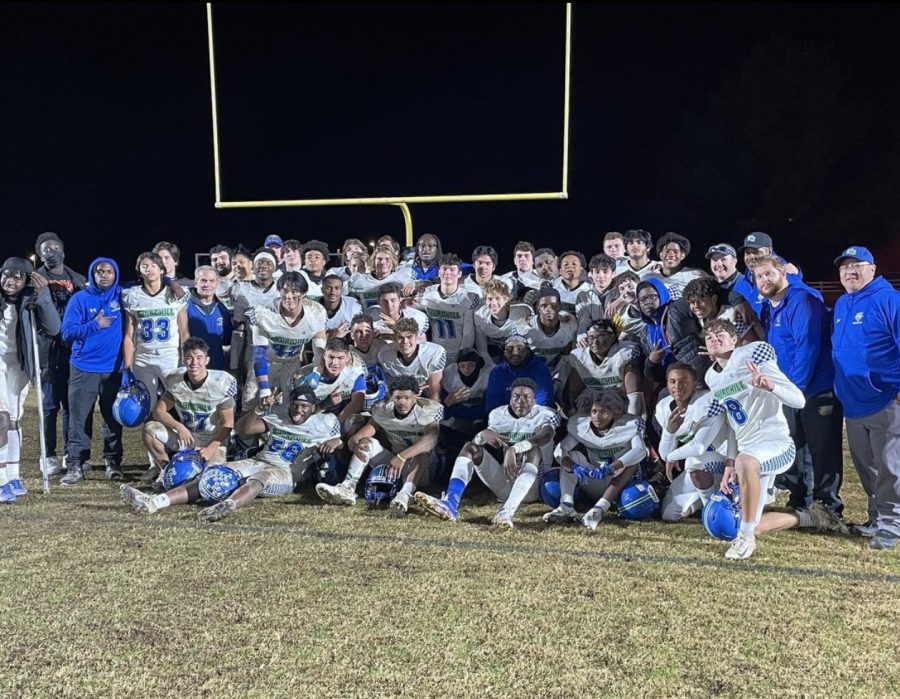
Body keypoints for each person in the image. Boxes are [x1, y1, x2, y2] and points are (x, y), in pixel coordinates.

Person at [703, 319, 845, 560]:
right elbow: (733, 422)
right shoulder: (711, 377)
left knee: (747, 465)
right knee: (750, 521)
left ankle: (746, 541)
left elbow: (798, 400)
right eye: (709, 336)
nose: (714, 338)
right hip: (749, 451)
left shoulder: (753, 356)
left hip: (776, 445)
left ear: (735, 340)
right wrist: (730, 461)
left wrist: (771, 387)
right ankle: (811, 517)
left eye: (721, 334)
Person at [121, 385, 342, 521]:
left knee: (261, 479)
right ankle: (155, 502)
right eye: (296, 404)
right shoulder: (278, 416)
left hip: (285, 473)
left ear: (313, 408)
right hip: (259, 459)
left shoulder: (325, 423)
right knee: (213, 473)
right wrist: (260, 409)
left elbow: (340, 444)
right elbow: (244, 429)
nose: (299, 410)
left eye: (305, 406)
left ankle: (227, 506)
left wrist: (335, 442)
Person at [755, 255, 844, 516]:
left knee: (822, 449)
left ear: (783, 273)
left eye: (769, 274)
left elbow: (808, 347)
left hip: (814, 388)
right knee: (794, 444)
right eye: (759, 277)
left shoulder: (802, 300)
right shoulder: (770, 307)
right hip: (788, 389)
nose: (764, 280)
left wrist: (795, 389)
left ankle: (828, 506)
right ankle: (799, 500)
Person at [417, 378, 560, 527]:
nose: (520, 401)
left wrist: (515, 448)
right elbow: (480, 440)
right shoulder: (499, 414)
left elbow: (546, 435)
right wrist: (483, 434)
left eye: (526, 397)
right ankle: (450, 502)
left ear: (534, 400)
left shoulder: (546, 413)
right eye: (516, 396)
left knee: (533, 450)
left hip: (533, 487)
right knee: (470, 447)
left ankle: (507, 512)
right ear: (510, 398)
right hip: (504, 482)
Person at [831, 246, 900, 550]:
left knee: (890, 467)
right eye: (845, 267)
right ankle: (877, 518)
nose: (850, 271)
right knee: (867, 466)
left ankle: (892, 524)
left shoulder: (889, 299)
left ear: (873, 269)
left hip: (885, 398)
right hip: (853, 402)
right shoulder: (844, 303)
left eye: (858, 265)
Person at [315, 376, 442, 514]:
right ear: (391, 397)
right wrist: (355, 445)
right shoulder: (383, 410)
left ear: (415, 396)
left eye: (407, 398)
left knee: (421, 454)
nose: (402, 402)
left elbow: (431, 440)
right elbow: (358, 436)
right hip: (394, 463)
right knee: (366, 443)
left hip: (422, 469)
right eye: (398, 398)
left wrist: (402, 457)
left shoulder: (428, 410)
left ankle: (405, 495)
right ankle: (347, 487)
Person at [542, 388, 648, 529]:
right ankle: (566, 505)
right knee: (573, 456)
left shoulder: (629, 426)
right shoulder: (581, 426)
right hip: (596, 477)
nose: (597, 416)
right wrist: (574, 466)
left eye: (604, 412)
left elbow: (640, 451)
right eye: (594, 411)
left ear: (615, 413)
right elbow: (560, 450)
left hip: (621, 483)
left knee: (632, 463)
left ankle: (600, 508)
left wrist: (612, 467)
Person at [60, 258, 125, 485]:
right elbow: (66, 333)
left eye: (109, 271)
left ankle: (113, 462)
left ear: (115, 275)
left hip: (113, 370)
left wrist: (170, 280)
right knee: (78, 419)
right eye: (99, 271)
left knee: (112, 418)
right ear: (92, 273)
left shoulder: (123, 297)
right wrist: (94, 325)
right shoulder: (80, 299)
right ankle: (76, 465)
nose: (104, 275)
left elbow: (152, 280)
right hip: (83, 368)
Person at [0, 258, 60, 501]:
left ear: (26, 280)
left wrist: (43, 295)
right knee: (1, 418)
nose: (10, 280)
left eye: (17, 276)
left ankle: (13, 476)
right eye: (6, 274)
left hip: (20, 364)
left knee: (13, 420)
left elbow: (54, 328)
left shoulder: (30, 300)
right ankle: (1, 479)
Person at [141, 337, 237, 480]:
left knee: (208, 478)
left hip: (213, 440)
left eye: (199, 358)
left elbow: (228, 424)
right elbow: (158, 411)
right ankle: (165, 471)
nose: (194, 362)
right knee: (150, 429)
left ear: (207, 360)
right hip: (187, 437)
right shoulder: (175, 380)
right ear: (184, 360)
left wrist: (211, 448)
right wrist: (179, 427)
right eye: (189, 358)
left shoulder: (220, 383)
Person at [31, 231, 87, 476]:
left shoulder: (77, 279)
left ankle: (69, 454)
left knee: (70, 406)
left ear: (63, 250)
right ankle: (48, 454)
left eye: (55, 247)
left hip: (72, 352)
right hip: (47, 351)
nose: (51, 252)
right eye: (46, 249)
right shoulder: (35, 279)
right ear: (41, 254)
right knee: (49, 406)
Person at [655, 363, 728, 521]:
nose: (678, 386)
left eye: (684, 381)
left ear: (695, 384)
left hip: (725, 463)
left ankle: (710, 511)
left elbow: (699, 448)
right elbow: (664, 453)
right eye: (672, 381)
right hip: (701, 471)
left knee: (693, 461)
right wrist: (669, 431)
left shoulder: (708, 402)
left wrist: (672, 456)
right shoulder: (663, 407)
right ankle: (708, 499)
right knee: (670, 514)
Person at [121, 251, 189, 415]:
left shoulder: (175, 293)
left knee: (182, 404)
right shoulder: (132, 295)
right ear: (139, 270)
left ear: (162, 270)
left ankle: (185, 439)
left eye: (153, 266)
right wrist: (127, 367)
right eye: (145, 266)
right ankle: (153, 439)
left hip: (170, 356)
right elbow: (129, 336)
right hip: (143, 358)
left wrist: (185, 359)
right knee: (147, 407)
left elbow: (184, 332)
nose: (149, 269)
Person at [248, 272, 327, 405]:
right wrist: (264, 387)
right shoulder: (264, 312)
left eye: (294, 291)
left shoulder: (316, 313)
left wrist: (317, 372)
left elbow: (319, 351)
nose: (289, 296)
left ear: (303, 293)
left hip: (292, 364)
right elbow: (259, 354)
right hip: (267, 363)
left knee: (289, 406)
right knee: (251, 402)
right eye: (284, 291)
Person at [565, 320, 643, 417]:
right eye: (591, 337)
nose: (595, 342)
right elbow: (574, 391)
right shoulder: (579, 357)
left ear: (612, 337)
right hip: (591, 403)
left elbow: (634, 394)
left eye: (601, 337)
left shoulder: (625, 353)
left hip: (620, 404)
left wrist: (633, 419)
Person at [291, 337, 366, 435]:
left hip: (339, 419)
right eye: (331, 357)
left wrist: (335, 426)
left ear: (347, 357)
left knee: (356, 420)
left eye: (340, 358)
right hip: (314, 419)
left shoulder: (354, 370)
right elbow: (297, 413)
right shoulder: (304, 376)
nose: (334, 363)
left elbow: (358, 401)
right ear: (324, 356)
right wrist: (325, 404)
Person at [419, 253, 479, 363]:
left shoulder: (467, 297)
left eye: (452, 270)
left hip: (457, 354)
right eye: (444, 269)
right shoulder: (428, 293)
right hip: (434, 353)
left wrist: (462, 357)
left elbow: (468, 334)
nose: (447, 273)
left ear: (459, 273)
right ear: (439, 272)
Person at [376, 317, 446, 401]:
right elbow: (390, 390)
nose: (405, 341)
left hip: (425, 396)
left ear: (416, 337)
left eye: (409, 337)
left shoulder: (434, 353)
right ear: (394, 339)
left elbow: (435, 394)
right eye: (400, 337)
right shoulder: (385, 355)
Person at [485, 335, 553, 412]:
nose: (515, 353)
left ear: (527, 352)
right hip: (506, 417)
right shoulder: (498, 372)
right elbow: (493, 405)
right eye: (510, 349)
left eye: (520, 349)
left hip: (534, 416)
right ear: (505, 353)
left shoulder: (540, 368)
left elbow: (544, 400)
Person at [186, 265, 233, 371]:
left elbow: (226, 341)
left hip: (218, 365)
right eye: (203, 280)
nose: (207, 284)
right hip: (193, 365)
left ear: (217, 283)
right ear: (195, 282)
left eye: (212, 281)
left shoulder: (223, 309)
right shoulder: (184, 306)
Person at [474, 278, 532, 362]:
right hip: (494, 350)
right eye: (490, 299)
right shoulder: (480, 316)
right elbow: (482, 350)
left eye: (497, 298)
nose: (493, 303)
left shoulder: (522, 311)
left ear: (506, 299)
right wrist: (492, 368)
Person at [523, 287, 577, 370]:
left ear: (560, 306)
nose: (549, 309)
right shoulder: (527, 326)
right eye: (544, 306)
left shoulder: (569, 323)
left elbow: (566, 356)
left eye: (553, 305)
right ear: (538, 308)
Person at [348, 244, 415, 308]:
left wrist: (410, 285)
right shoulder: (358, 280)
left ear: (393, 261)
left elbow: (414, 283)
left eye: (387, 259)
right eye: (379, 259)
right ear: (373, 261)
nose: (383, 262)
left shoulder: (401, 277)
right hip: (368, 317)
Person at [647, 232, 705, 300]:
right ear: (661, 254)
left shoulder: (695, 275)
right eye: (667, 251)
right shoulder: (648, 278)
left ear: (682, 255)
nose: (671, 255)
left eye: (675, 251)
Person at [575, 253, 617, 345]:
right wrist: (581, 336)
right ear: (591, 274)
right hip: (594, 340)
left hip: (616, 339)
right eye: (597, 272)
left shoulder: (620, 294)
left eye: (605, 271)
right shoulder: (583, 296)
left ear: (613, 274)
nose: (601, 276)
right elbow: (583, 321)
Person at [320, 273, 362, 340]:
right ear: (322, 290)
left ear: (342, 290)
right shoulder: (312, 306)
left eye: (337, 288)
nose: (333, 292)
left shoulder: (353, 305)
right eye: (328, 288)